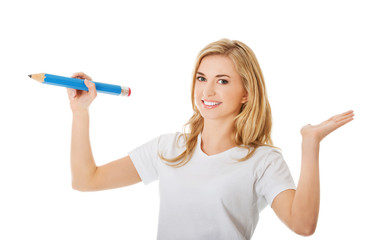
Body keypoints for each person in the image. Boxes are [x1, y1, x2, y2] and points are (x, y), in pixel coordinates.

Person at [66, 39, 354, 240]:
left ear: (246, 93)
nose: (207, 91)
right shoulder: (169, 149)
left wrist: (310, 143)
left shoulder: (263, 161)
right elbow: (86, 180)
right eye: (202, 78)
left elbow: (302, 225)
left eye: (223, 80)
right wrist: (81, 113)